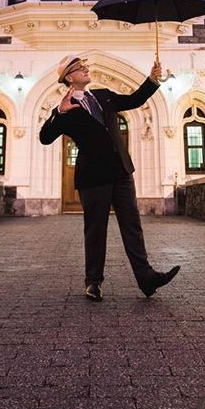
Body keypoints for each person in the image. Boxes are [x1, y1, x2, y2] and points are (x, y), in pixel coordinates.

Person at [39, 54, 180, 302]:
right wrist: (59, 113)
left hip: (121, 171)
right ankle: (93, 283)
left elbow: (135, 100)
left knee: (132, 226)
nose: (86, 69)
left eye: (85, 66)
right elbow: (45, 137)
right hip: (93, 177)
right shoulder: (65, 108)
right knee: (95, 230)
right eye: (80, 68)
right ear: (69, 78)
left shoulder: (103, 95)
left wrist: (152, 79)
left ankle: (146, 278)